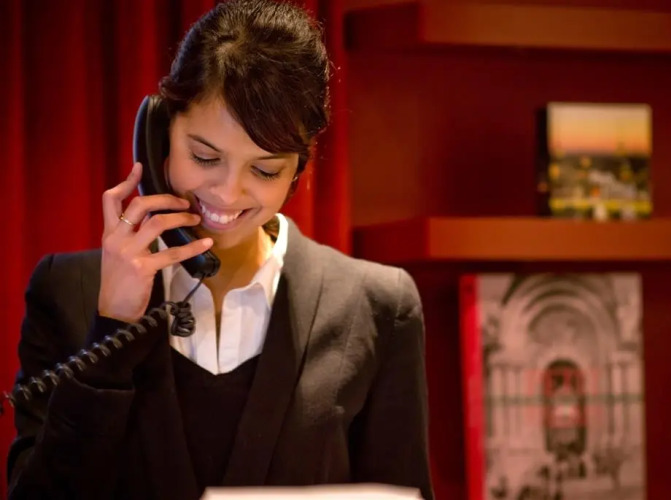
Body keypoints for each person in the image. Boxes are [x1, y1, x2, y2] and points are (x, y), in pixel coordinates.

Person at [6, 1, 434, 498]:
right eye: (205, 156)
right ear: (159, 134)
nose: (228, 194)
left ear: (298, 169)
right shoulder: (67, 291)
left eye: (265, 170)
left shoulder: (378, 307)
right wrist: (113, 328)